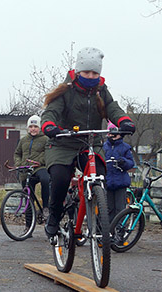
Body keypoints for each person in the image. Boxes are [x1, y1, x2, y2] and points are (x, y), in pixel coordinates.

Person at [40, 47, 135, 239]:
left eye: (94, 73)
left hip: (90, 143)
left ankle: (101, 222)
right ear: (78, 71)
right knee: (59, 177)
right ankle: (54, 217)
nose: (90, 76)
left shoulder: (101, 91)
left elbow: (112, 108)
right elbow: (51, 112)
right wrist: (50, 125)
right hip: (62, 142)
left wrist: (123, 120)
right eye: (86, 72)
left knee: (100, 176)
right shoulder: (66, 90)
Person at [14, 114, 50, 217]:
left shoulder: (45, 139)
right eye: (31, 127)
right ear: (28, 128)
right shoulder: (23, 140)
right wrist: (19, 164)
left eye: (35, 127)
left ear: (39, 128)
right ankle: (28, 227)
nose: (33, 129)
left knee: (45, 179)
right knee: (28, 198)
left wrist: (39, 161)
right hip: (25, 169)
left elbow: (48, 153)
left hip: (39, 167)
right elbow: (17, 153)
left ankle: (46, 207)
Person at [103, 122, 135, 221]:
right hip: (107, 182)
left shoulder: (125, 147)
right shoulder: (103, 147)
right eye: (110, 133)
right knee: (108, 209)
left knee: (120, 209)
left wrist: (123, 162)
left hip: (120, 182)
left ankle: (119, 230)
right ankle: (108, 230)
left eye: (114, 134)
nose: (111, 136)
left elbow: (131, 163)